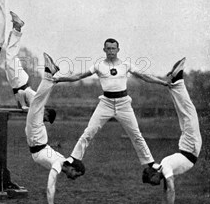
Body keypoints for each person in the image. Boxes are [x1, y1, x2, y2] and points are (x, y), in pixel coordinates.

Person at [55, 38, 169, 168]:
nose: (111, 51)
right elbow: (78, 76)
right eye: (108, 48)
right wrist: (59, 79)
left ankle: (150, 163)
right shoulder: (98, 66)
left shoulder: (126, 65)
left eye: (113, 48)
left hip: (124, 104)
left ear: (118, 50)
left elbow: (145, 76)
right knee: (89, 131)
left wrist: (164, 83)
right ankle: (74, 158)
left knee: (136, 135)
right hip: (105, 104)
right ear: (104, 50)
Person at [142, 58, 201, 204]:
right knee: (185, 112)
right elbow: (166, 190)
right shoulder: (163, 167)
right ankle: (176, 81)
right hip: (188, 146)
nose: (152, 184)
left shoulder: (165, 167)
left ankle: (177, 81)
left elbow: (172, 189)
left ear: (155, 175)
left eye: (151, 181)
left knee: (187, 111)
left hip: (190, 146)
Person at [27, 53, 86, 204]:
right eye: (76, 175)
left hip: (39, 140)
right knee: (38, 103)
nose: (74, 178)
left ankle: (48, 75)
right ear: (73, 169)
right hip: (37, 139)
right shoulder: (58, 165)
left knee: (38, 102)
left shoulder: (61, 160)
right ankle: (49, 74)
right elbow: (50, 185)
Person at [4, 11, 36, 110]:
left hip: (18, 82)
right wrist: (23, 106)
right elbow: (22, 92)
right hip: (20, 82)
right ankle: (17, 27)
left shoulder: (32, 101)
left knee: (10, 56)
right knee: (10, 57)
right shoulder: (33, 100)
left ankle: (15, 27)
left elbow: (20, 95)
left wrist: (22, 105)